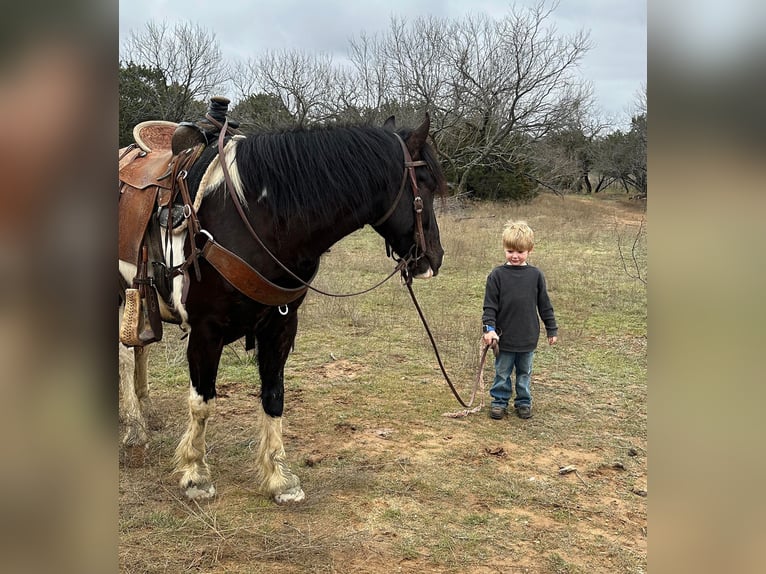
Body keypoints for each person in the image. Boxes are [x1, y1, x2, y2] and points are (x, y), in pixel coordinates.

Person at [481, 220, 558, 420]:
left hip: (527, 337)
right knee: (502, 372)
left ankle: (523, 402)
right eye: (510, 251)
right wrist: (489, 329)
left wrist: (552, 329)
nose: (515, 256)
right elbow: (489, 306)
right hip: (503, 338)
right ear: (504, 249)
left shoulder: (536, 276)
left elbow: (544, 305)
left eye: (520, 252)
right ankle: (499, 402)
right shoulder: (496, 276)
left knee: (524, 373)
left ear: (530, 250)